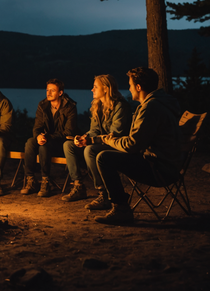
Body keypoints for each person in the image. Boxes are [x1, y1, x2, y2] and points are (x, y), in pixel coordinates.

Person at [93, 67, 181, 224]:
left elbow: (132, 145)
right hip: (167, 165)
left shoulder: (151, 108)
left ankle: (121, 209)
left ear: (138, 87)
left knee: (104, 157)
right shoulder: (162, 103)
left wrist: (107, 140)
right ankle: (118, 204)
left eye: (130, 85)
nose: (129, 88)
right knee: (110, 155)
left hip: (160, 169)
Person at [61, 74, 132, 207]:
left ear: (105, 89)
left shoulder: (120, 106)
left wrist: (90, 141)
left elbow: (114, 135)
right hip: (101, 143)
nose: (92, 90)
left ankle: (104, 193)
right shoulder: (97, 105)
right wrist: (84, 137)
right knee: (69, 145)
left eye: (95, 87)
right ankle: (78, 186)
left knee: (90, 149)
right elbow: (94, 130)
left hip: (116, 145)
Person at [21, 78, 77, 198]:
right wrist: (38, 136)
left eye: (52, 90)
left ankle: (46, 181)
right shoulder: (43, 105)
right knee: (30, 142)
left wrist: (47, 137)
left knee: (43, 146)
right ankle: (30, 180)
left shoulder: (70, 107)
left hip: (61, 143)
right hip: (46, 140)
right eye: (47, 90)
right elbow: (37, 127)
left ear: (60, 93)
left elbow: (68, 132)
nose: (48, 93)